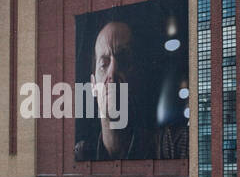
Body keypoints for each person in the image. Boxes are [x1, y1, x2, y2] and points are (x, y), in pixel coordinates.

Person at [73, 18, 187, 161]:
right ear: (93, 86)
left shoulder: (171, 147)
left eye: (124, 60)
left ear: (139, 76)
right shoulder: (80, 155)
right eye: (104, 64)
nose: (112, 73)